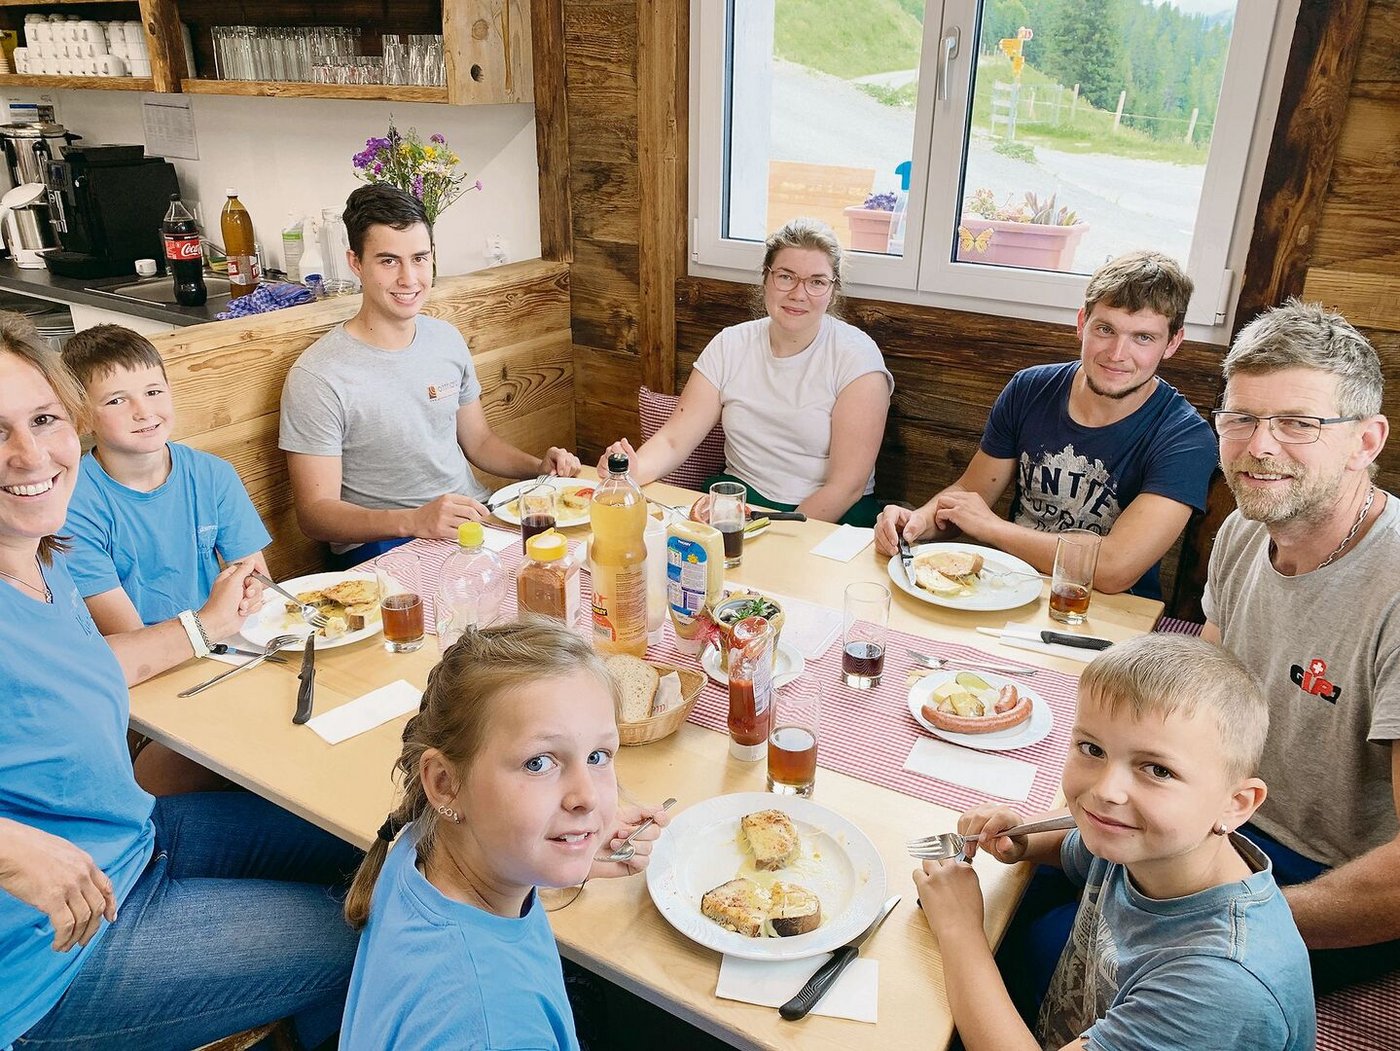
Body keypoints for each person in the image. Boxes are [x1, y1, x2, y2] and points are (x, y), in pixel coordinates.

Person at [0, 313, 359, 1050]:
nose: (29, 453)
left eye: (41, 418)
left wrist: (204, 627)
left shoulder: (43, 554)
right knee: (366, 931)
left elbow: (99, 665)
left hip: (136, 840)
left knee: (367, 845)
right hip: (56, 956)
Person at [915, 634, 1314, 1050]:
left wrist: (959, 928)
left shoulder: (1220, 986)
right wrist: (1023, 842)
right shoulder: (1150, 845)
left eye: (1157, 770)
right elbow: (1077, 848)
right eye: (1092, 748)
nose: (1108, 790)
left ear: (1235, 805)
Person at [338, 620, 670, 1049]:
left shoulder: (422, 837)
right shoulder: (493, 1026)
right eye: (539, 763)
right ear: (444, 783)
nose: (586, 797)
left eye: (597, 755)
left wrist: (573, 851)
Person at [1201, 299, 1399, 992]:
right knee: (1019, 904)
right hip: (1220, 825)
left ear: (1366, 440)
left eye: (1298, 423)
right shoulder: (1240, 532)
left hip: (1329, 883)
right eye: (1242, 417)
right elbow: (1203, 704)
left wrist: (1225, 914)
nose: (1260, 445)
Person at [875, 251, 1216, 598]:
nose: (1117, 353)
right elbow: (969, 495)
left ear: (1173, 342)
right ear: (1082, 322)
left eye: (1143, 337)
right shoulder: (1030, 388)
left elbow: (1114, 569)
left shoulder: (1186, 437)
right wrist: (918, 521)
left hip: (1108, 612)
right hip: (1007, 589)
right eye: (1105, 329)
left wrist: (995, 529)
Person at [280, 184, 581, 568]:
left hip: (475, 522)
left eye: (419, 258)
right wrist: (415, 521)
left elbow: (480, 442)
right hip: (385, 548)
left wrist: (538, 466)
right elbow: (315, 514)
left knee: (576, 572)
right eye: (388, 261)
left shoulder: (445, 338)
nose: (409, 278)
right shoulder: (318, 375)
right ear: (355, 262)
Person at [59, 325, 267, 793]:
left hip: (229, 658)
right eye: (116, 400)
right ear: (82, 416)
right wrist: (217, 621)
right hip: (145, 695)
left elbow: (256, 582)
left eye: (154, 391)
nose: (143, 411)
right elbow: (129, 640)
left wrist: (249, 594)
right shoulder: (74, 504)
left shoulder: (213, 474)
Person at [601, 216, 892, 527]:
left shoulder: (857, 358)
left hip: (829, 517)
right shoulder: (730, 344)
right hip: (736, 503)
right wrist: (632, 470)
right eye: (786, 276)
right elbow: (674, 441)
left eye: (817, 282)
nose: (798, 293)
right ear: (766, 279)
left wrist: (773, 529)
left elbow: (845, 487)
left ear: (832, 291)